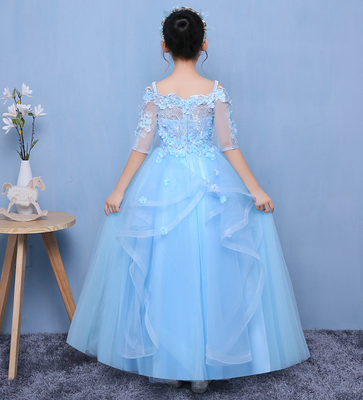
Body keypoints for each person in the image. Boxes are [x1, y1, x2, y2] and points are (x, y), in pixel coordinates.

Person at [66, 6, 311, 395]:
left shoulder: (155, 91)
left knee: (167, 270)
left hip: (162, 182)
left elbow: (142, 145)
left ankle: (172, 361)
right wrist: (255, 189)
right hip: (208, 181)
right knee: (208, 268)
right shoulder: (215, 90)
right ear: (204, 45)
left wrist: (120, 189)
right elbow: (228, 145)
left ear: (164, 46)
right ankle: (201, 367)